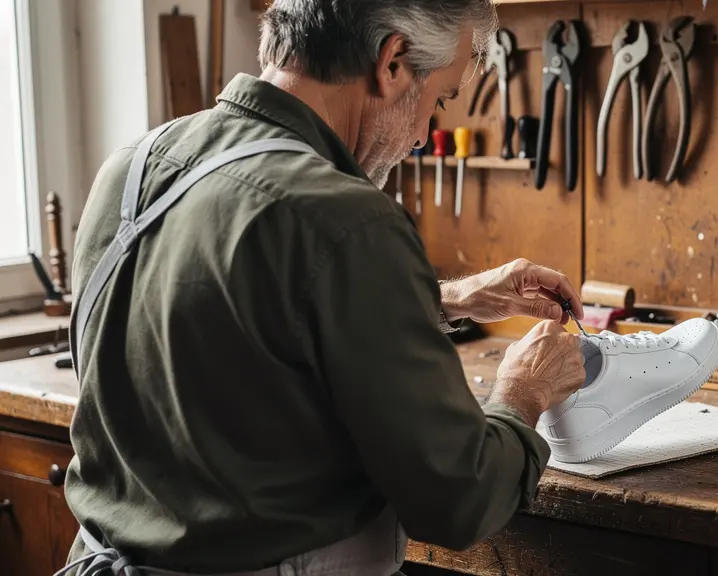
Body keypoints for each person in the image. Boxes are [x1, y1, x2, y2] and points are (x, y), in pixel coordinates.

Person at [56, 1, 586, 574]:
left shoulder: (134, 166)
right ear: (392, 61)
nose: (422, 134)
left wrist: (449, 297)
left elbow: (229, 319)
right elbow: (460, 503)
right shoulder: (346, 218)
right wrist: (521, 392)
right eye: (440, 100)